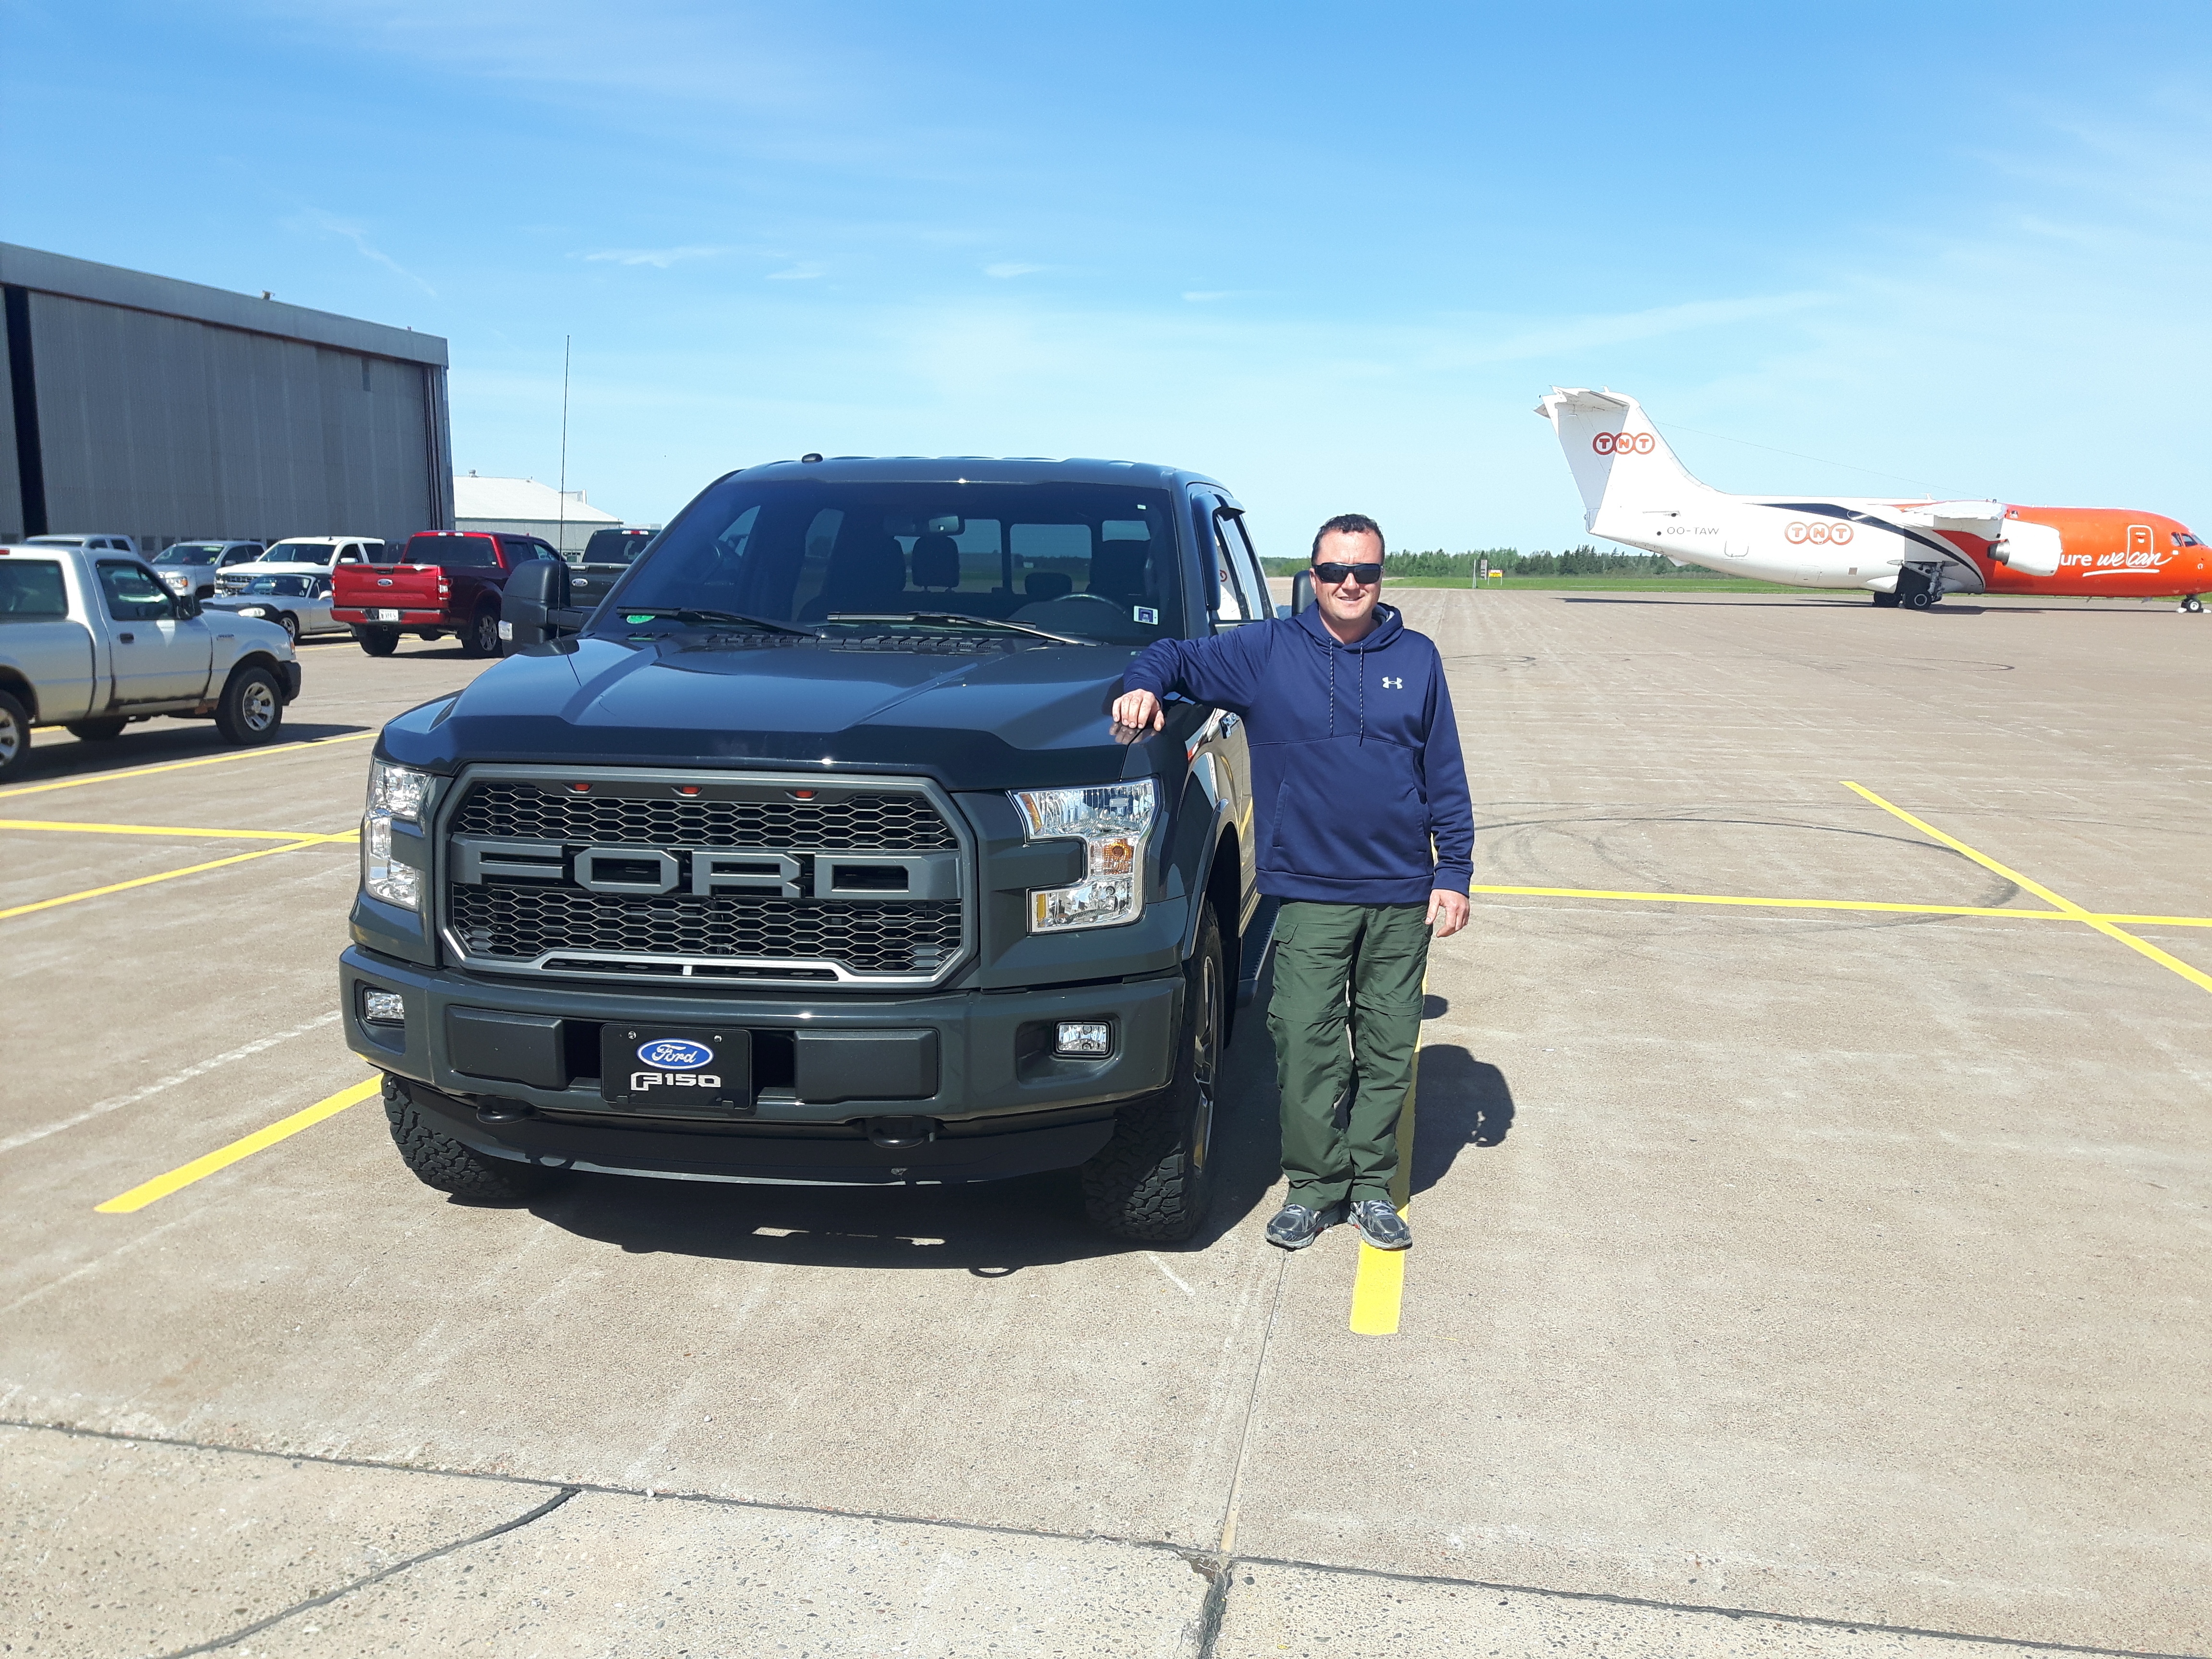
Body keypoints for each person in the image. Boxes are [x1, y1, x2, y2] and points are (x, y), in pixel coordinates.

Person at [1112, 513, 1473, 1251]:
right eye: (1335, 571)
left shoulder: (1418, 657)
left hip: (1402, 890)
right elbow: (1172, 655)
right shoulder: (1267, 653)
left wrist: (1455, 870)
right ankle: (1313, 1187)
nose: (1349, 584)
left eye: (1364, 573)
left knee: (1386, 1041)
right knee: (1305, 1045)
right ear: (1311, 577)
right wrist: (1140, 687)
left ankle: (1373, 1186)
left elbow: (1444, 772)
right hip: (1309, 892)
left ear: (1381, 578)